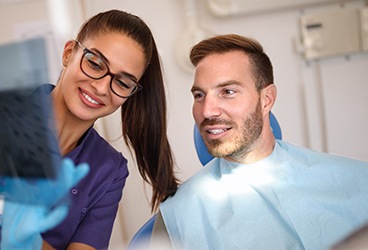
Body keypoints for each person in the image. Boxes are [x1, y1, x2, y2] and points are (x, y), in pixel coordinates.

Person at [0, 10, 179, 250]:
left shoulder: (108, 171)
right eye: (94, 63)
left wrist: (29, 243)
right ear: (69, 53)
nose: (102, 88)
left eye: (123, 82)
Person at [151, 34, 368, 249]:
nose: (207, 111)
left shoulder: (355, 181)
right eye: (199, 95)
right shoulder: (177, 218)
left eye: (228, 91)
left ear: (267, 100)